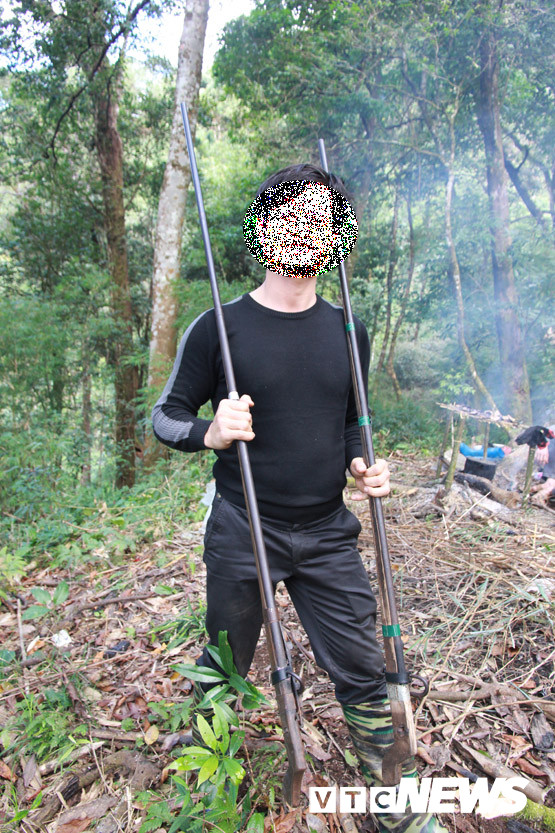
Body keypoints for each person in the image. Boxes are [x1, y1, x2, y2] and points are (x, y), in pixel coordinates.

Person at [152, 164, 445, 833]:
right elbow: (164, 415)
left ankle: (391, 791)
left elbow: (349, 419)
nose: (306, 228)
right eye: (291, 215)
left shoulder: (348, 330)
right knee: (227, 655)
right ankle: (208, 764)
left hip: (324, 531)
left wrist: (364, 463)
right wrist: (211, 431)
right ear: (263, 227)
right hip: (241, 525)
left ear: (334, 236)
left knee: (363, 664)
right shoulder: (218, 329)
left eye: (321, 218)